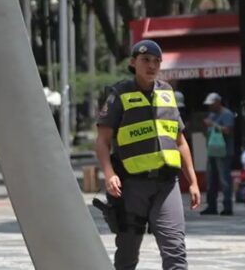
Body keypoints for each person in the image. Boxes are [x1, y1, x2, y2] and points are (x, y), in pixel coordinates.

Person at [95, 39, 201, 270]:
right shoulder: (119, 94)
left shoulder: (167, 93)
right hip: (132, 186)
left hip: (167, 184)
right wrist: (109, 174)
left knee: (175, 251)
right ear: (133, 63)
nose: (152, 66)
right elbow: (102, 142)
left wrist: (192, 181)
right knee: (128, 254)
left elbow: (180, 141)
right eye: (145, 60)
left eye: (156, 61)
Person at [199, 92, 235, 216]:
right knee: (211, 179)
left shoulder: (227, 114)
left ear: (218, 102)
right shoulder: (212, 115)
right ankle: (211, 206)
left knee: (224, 180)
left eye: (212, 104)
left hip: (224, 152)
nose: (210, 107)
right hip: (212, 151)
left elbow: (227, 130)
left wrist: (213, 124)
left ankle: (227, 206)